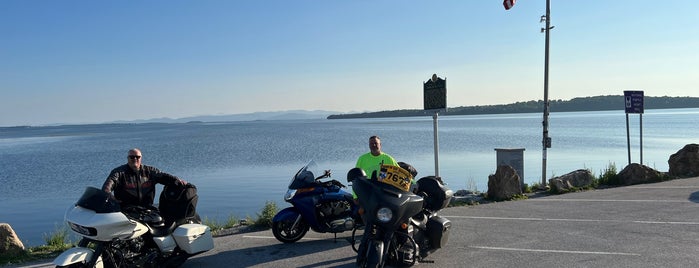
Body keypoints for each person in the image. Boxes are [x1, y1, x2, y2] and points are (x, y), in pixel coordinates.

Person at [102, 148, 186, 208]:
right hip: (126, 209)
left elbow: (164, 177)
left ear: (141, 158)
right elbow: (109, 184)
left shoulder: (150, 171)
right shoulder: (119, 172)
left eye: (137, 157)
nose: (135, 159)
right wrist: (108, 195)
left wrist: (178, 181)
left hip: (146, 208)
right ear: (127, 158)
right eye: (132, 157)